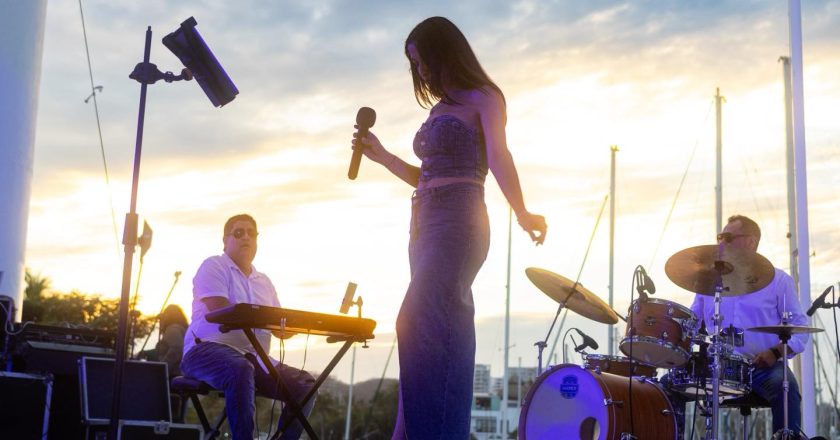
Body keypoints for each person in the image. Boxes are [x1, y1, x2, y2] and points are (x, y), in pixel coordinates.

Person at [351, 16, 547, 439]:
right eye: (414, 65)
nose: (420, 71)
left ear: (445, 52)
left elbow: (499, 158)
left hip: (460, 221)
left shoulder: (485, 97)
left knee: (417, 318)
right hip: (423, 222)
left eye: (423, 60)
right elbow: (426, 175)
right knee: (435, 329)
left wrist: (523, 211)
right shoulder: (440, 108)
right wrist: (383, 156)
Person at [180, 214, 316, 440]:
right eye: (238, 232)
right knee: (241, 368)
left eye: (251, 233)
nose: (246, 237)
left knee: (306, 384)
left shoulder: (264, 281)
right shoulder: (213, 266)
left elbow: (280, 328)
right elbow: (221, 312)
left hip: (254, 358)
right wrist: (267, 319)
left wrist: (301, 323)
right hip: (204, 351)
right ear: (225, 240)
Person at [690, 214, 809, 436]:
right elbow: (692, 322)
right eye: (719, 237)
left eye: (727, 237)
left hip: (762, 367)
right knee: (667, 385)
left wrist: (775, 352)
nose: (720, 243)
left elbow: (801, 329)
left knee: (787, 388)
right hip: (718, 366)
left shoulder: (779, 281)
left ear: (751, 241)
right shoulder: (708, 280)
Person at [156, 304, 188, 377]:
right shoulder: (181, 329)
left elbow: (177, 348)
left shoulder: (172, 329)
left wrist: (163, 368)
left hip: (175, 375)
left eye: (165, 315)